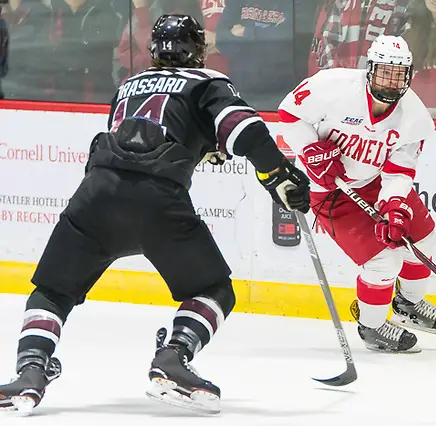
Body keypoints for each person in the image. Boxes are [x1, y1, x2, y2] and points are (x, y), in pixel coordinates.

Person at [0, 14, 310, 416]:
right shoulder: (207, 81)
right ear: (198, 49)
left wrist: (201, 145)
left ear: (154, 51)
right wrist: (275, 173)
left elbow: (143, 134)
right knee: (215, 291)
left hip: (96, 195)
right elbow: (243, 128)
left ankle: (29, 373)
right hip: (158, 203)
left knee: (52, 292)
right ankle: (174, 358)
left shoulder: (127, 85)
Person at [278, 34, 436, 354]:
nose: (391, 80)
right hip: (331, 193)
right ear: (369, 69)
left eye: (398, 73)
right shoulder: (332, 86)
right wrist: (311, 151)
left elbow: (399, 171)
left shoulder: (414, 116)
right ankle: (372, 327)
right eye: (384, 71)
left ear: (409, 76)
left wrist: (395, 207)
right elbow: (289, 115)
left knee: (424, 241)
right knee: (384, 260)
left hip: (375, 183)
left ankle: (408, 304)